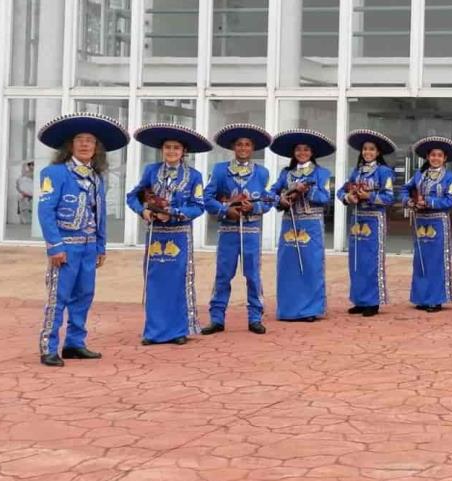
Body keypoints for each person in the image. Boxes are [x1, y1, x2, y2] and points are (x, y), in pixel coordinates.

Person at [35, 113, 130, 367]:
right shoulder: (54, 173)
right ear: (71, 145)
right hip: (65, 247)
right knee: (58, 297)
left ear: (97, 147)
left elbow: (100, 216)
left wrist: (101, 246)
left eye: (90, 140)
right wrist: (55, 246)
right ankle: (48, 347)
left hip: (89, 248)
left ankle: (75, 343)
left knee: (84, 296)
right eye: (80, 140)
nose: (85, 144)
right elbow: (45, 212)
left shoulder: (97, 178)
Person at [126, 125, 211, 346]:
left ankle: (178, 330)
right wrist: (143, 211)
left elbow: (198, 206)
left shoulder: (194, 176)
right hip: (155, 234)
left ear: (184, 151)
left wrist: (174, 213)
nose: (171, 151)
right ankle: (153, 331)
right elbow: (132, 196)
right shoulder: (151, 171)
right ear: (162, 150)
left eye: (176, 148)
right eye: (167, 147)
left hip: (180, 234)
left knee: (178, 281)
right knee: (154, 281)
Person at [202, 124, 273, 336]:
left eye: (247, 144)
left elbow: (269, 200)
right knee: (223, 275)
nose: (243, 148)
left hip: (251, 231)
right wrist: (225, 210)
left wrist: (256, 207)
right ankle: (217, 318)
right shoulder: (220, 169)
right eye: (240, 144)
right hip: (228, 231)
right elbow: (206, 198)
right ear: (233, 147)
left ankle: (255, 318)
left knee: (253, 275)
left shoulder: (262, 172)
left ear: (253, 148)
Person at [268, 129, 335, 322]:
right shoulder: (286, 173)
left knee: (311, 265)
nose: (302, 153)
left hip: (311, 224)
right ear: (293, 152)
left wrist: (306, 191)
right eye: (298, 149)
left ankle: (310, 310)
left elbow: (325, 198)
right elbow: (272, 194)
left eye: (306, 149)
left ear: (312, 152)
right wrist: (283, 199)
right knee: (288, 266)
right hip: (290, 223)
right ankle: (288, 309)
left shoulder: (322, 173)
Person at [337, 129, 398, 317]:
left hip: (374, 220)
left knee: (372, 261)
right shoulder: (356, 172)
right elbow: (341, 192)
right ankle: (359, 300)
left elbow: (389, 198)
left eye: (371, 149)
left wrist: (369, 196)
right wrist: (349, 196)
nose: (367, 152)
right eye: (365, 149)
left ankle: (373, 302)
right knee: (355, 261)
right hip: (356, 219)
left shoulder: (384, 172)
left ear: (378, 152)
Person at [403, 136, 452, 312]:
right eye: (433, 155)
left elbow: (450, 201)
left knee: (437, 261)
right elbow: (405, 190)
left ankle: (436, 299)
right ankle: (421, 298)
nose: (436, 158)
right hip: (420, 222)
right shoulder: (419, 176)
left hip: (438, 222)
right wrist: (410, 202)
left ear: (444, 159)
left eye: (439, 155)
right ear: (427, 157)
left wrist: (429, 201)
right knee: (420, 261)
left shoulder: (450, 178)